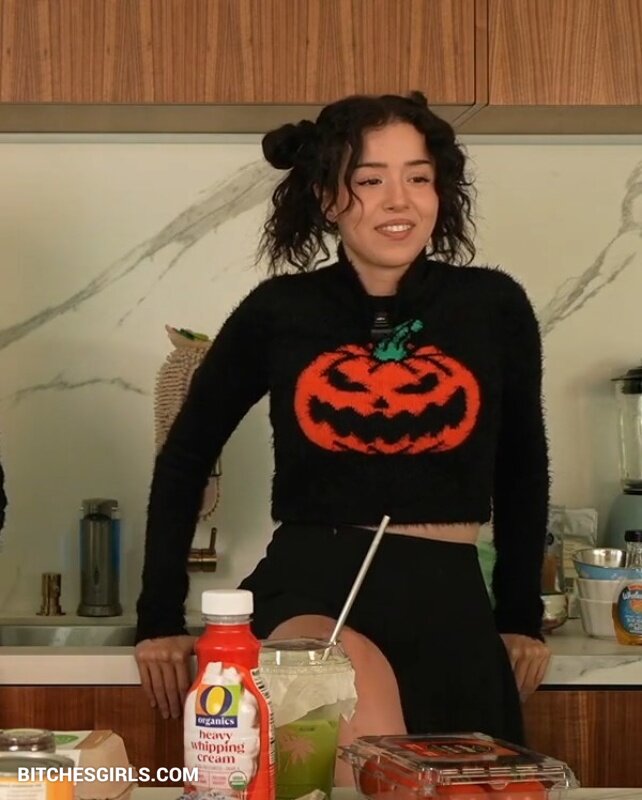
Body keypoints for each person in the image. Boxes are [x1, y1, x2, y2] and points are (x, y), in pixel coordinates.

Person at [134, 90, 551, 780]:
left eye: (419, 177)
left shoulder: (492, 306)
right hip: (316, 585)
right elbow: (186, 456)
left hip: (450, 600)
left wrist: (519, 616)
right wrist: (157, 621)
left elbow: (522, 467)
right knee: (377, 766)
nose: (399, 200)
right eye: (370, 180)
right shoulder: (281, 310)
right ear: (329, 197)